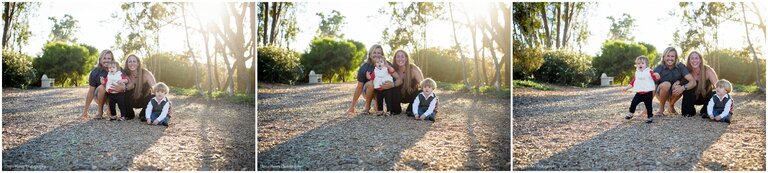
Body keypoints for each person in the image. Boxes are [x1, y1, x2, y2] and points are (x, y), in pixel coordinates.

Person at [116, 54, 172, 121]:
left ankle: (144, 114)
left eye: (134, 61)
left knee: (154, 96)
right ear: (127, 63)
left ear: (138, 63)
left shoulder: (145, 74)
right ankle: (128, 114)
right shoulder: (123, 74)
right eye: (130, 61)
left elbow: (157, 89)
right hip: (130, 101)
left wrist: (167, 103)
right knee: (122, 94)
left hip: (144, 100)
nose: (132, 63)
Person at [345, 44, 398, 115]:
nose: (376, 55)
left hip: (381, 91)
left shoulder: (387, 65)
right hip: (367, 91)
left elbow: (395, 79)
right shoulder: (365, 67)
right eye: (374, 53)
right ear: (370, 55)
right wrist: (352, 107)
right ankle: (367, 107)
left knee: (385, 85)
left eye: (379, 53)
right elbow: (359, 87)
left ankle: (379, 107)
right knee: (372, 83)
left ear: (382, 55)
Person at [389, 50, 439, 117]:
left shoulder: (413, 69)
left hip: (411, 96)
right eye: (398, 57)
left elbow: (425, 85)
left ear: (406, 58)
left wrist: (435, 99)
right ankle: (396, 110)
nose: (400, 59)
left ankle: (411, 109)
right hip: (397, 96)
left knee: (421, 91)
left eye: (402, 57)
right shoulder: (392, 70)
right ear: (395, 59)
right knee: (392, 89)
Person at [653, 47, 697, 116]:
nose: (670, 58)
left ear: (676, 58)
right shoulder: (659, 68)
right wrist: (647, 108)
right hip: (660, 93)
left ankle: (671, 106)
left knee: (678, 86)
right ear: (664, 57)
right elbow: (653, 86)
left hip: (674, 92)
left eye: (672, 56)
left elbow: (693, 82)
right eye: (668, 56)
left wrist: (682, 87)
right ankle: (661, 109)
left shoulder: (681, 67)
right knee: (666, 84)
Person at [80, 50, 119, 120]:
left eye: (109, 58)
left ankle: (110, 109)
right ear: (100, 60)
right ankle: (100, 111)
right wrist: (85, 111)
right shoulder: (95, 72)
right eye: (104, 58)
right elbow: (91, 92)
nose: (106, 60)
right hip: (99, 96)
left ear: (112, 60)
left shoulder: (118, 70)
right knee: (102, 87)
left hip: (114, 95)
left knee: (114, 86)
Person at [680, 51, 719, 118]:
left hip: (706, 96)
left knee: (715, 93)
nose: (694, 60)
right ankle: (690, 111)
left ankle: (705, 111)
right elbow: (679, 81)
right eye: (692, 58)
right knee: (686, 114)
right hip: (691, 98)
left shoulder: (707, 70)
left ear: (700, 60)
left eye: (696, 58)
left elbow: (717, 86)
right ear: (689, 60)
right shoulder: (686, 71)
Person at [623, 56, 658, 123]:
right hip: (639, 93)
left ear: (646, 65)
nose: (640, 65)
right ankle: (631, 113)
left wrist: (656, 76)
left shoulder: (649, 71)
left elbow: (654, 77)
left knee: (648, 106)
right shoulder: (637, 73)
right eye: (638, 63)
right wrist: (626, 88)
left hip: (648, 93)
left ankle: (650, 116)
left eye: (642, 63)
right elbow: (633, 82)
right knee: (633, 103)